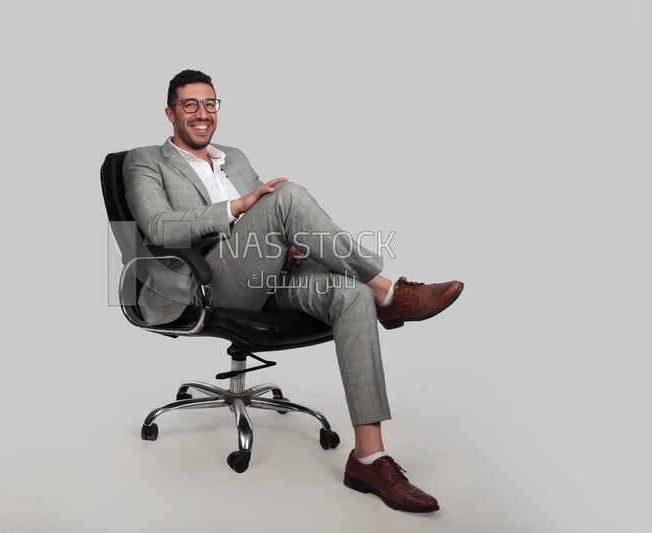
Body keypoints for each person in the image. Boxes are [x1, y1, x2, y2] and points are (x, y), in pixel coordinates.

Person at [123, 69, 464, 513]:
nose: (202, 113)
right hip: (202, 285)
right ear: (170, 112)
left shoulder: (236, 157)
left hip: (268, 276)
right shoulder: (144, 159)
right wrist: (238, 206)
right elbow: (158, 226)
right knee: (285, 195)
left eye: (210, 104)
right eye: (190, 105)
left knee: (350, 294)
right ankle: (389, 291)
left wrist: (294, 248)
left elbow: (274, 225)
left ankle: (369, 457)